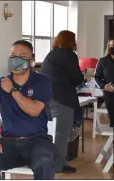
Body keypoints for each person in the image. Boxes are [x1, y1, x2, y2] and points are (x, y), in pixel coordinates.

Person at [0, 40, 57, 180]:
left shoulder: (42, 82)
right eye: (13, 55)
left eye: (21, 56)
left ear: (31, 60)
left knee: (44, 161)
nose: (16, 60)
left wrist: (12, 90)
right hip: (8, 143)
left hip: (36, 141)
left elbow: (34, 110)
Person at [40, 30, 84, 173]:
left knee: (52, 132)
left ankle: (50, 161)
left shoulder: (51, 54)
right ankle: (58, 165)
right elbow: (76, 78)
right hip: (63, 98)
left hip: (48, 97)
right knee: (61, 133)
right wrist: (81, 77)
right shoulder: (69, 55)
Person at [94, 37, 114, 127]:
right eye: (110, 45)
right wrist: (104, 86)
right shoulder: (103, 61)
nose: (112, 47)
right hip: (110, 94)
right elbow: (97, 77)